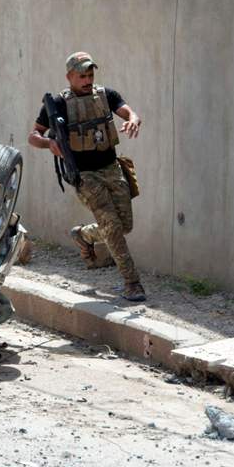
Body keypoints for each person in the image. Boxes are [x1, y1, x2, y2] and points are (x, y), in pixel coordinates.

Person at [28, 51, 146, 302]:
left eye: (90, 74)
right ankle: (132, 282)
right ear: (69, 76)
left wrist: (134, 119)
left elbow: (128, 112)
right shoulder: (58, 103)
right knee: (113, 227)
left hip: (111, 168)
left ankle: (85, 235)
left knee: (125, 225)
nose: (87, 79)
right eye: (82, 75)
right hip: (85, 175)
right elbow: (33, 136)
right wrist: (48, 143)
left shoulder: (106, 95)